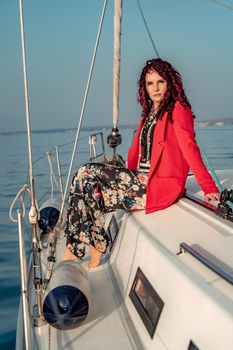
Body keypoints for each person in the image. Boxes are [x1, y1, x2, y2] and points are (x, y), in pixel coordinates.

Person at [62, 58, 220, 267]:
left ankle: (78, 248)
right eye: (150, 83)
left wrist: (209, 188)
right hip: (140, 180)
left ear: (169, 83)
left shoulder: (177, 109)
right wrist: (125, 174)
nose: (155, 88)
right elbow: (138, 153)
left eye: (160, 82)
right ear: (144, 87)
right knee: (84, 186)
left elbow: (190, 149)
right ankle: (91, 246)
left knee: (87, 171)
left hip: (158, 185)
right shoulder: (149, 112)